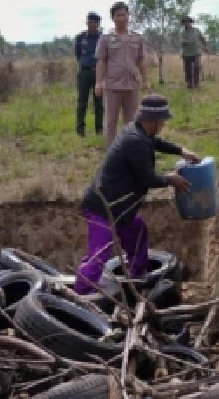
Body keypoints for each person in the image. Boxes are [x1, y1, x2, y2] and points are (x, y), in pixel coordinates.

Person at [74, 94, 198, 296]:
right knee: (99, 254)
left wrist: (180, 151)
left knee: (137, 232)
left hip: (121, 208)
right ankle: (82, 295)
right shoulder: (135, 141)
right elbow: (146, 179)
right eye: (162, 121)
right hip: (102, 208)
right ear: (153, 121)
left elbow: (155, 142)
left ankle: (137, 277)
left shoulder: (137, 131)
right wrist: (169, 179)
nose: (163, 125)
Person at [96, 1, 149, 146]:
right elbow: (101, 61)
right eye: (118, 15)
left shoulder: (136, 38)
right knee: (111, 121)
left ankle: (128, 150)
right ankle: (111, 151)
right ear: (113, 18)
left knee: (131, 122)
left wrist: (145, 80)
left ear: (128, 16)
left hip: (131, 85)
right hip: (113, 86)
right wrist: (98, 82)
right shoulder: (106, 38)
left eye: (124, 15)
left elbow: (141, 60)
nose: (121, 18)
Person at [73, 12, 104, 137]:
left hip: (98, 72)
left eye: (95, 22)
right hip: (84, 72)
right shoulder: (80, 37)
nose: (92, 25)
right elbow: (78, 54)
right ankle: (80, 130)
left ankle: (99, 129)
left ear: (98, 24)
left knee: (99, 103)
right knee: (82, 101)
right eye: (90, 22)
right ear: (87, 23)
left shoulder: (102, 38)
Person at [180, 15, 208, 90]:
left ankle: (196, 83)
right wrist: (186, 42)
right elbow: (182, 42)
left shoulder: (196, 30)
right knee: (187, 69)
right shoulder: (182, 33)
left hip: (196, 52)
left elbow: (202, 39)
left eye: (188, 22)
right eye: (185, 22)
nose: (186, 23)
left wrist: (205, 47)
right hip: (186, 53)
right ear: (183, 23)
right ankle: (189, 83)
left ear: (190, 22)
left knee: (197, 66)